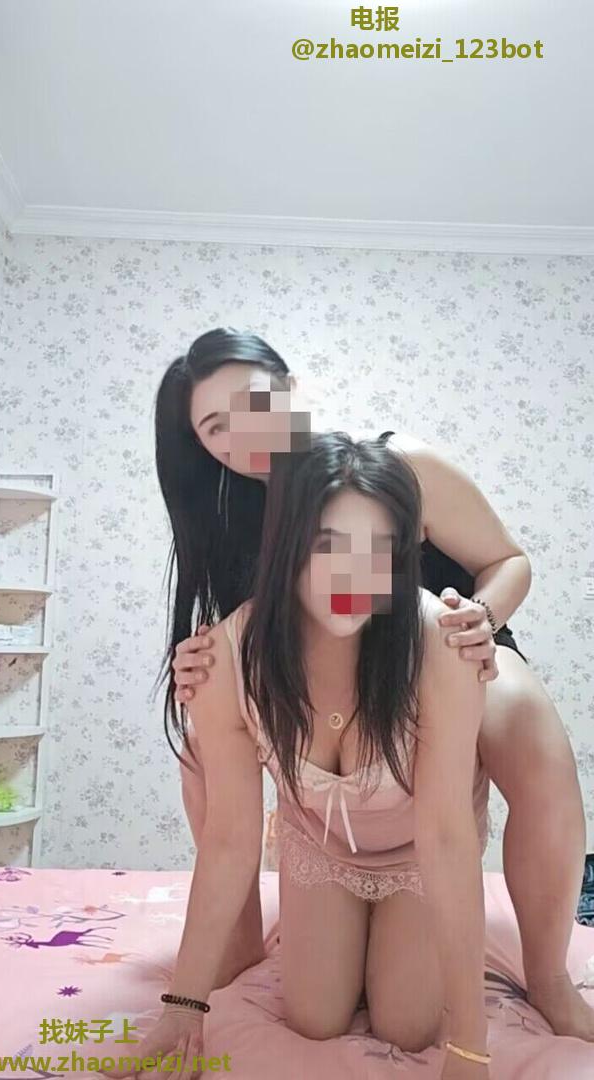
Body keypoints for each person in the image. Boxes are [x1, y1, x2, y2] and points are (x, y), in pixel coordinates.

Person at [156, 327, 591, 1040]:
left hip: (445, 638)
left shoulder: (398, 463)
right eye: (215, 426)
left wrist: (479, 620)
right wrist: (200, 665)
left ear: (291, 390)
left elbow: (508, 559)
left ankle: (548, 976)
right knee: (201, 744)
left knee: (521, 722)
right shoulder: (237, 518)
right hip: (320, 674)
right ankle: (239, 938)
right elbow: (245, 635)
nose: (243, 431)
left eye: (252, 402)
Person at [110, 432, 494, 1080]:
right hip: (321, 845)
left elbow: (446, 837)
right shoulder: (228, 656)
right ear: (285, 545)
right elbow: (229, 839)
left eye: (378, 549)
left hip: (417, 849)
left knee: (407, 1025)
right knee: (314, 1016)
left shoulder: (438, 643)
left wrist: (469, 1047)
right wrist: (184, 1006)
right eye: (327, 546)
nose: (353, 576)